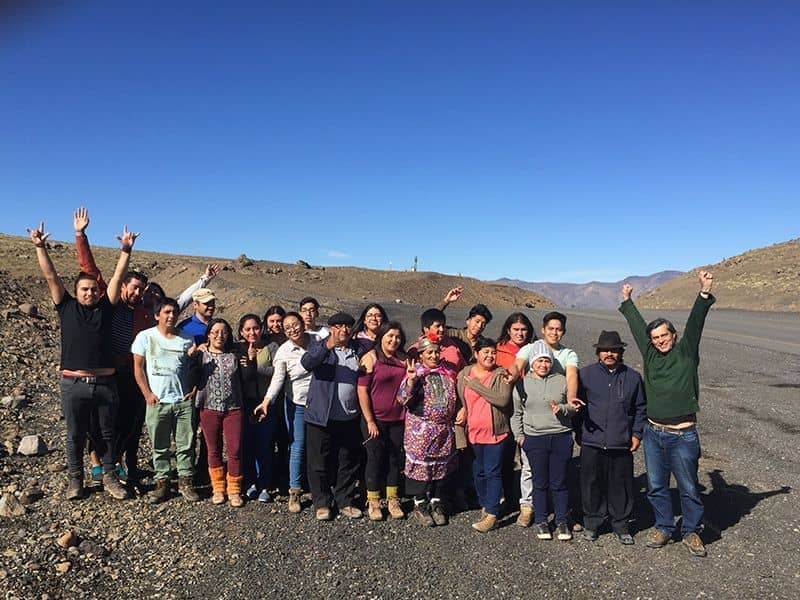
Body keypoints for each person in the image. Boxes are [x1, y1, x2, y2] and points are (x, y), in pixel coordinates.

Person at [28, 219, 134, 501]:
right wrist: (40, 247)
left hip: (105, 383)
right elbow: (51, 277)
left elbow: (116, 278)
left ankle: (110, 478)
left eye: (93, 289)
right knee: (75, 435)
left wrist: (125, 250)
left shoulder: (107, 308)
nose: (89, 292)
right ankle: (76, 481)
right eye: (84, 289)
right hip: (73, 383)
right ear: (77, 291)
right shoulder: (65, 306)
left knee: (108, 434)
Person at [619, 271, 715, 557]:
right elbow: (637, 327)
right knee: (656, 485)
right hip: (653, 433)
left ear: (674, 335)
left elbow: (696, 323)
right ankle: (663, 526)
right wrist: (627, 301)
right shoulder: (650, 355)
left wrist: (704, 293)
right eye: (656, 337)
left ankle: (692, 531)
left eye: (664, 335)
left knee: (688, 486)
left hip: (683, 434)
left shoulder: (686, 351)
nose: (660, 340)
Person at [575, 330, 646, 545]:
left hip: (620, 442)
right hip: (592, 441)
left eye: (614, 350)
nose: (609, 354)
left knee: (621, 484)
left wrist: (636, 434)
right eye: (605, 350)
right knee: (590, 483)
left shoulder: (633, 378)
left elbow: (641, 408)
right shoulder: (585, 375)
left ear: (620, 352)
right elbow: (577, 406)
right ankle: (592, 523)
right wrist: (579, 433)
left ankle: (621, 524)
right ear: (598, 352)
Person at [513, 311, 580, 527]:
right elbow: (518, 365)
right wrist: (511, 377)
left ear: (563, 332)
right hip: (534, 423)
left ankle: (559, 512)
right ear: (543, 329)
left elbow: (571, 376)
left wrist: (569, 401)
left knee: (558, 474)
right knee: (529, 469)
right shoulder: (530, 349)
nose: (554, 332)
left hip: (558, 422)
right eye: (550, 328)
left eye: (558, 329)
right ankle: (528, 507)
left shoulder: (567, 354)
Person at [132, 297, 199, 503]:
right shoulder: (145, 337)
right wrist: (147, 394)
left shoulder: (187, 339)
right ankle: (162, 483)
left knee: (185, 444)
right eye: (167, 312)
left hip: (182, 401)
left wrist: (193, 388)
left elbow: (194, 367)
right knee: (159, 445)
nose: (171, 316)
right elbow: (138, 368)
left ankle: (185, 483)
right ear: (157, 315)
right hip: (158, 401)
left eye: (174, 312)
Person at [300, 312, 366, 520]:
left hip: (349, 415)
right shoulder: (321, 348)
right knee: (318, 461)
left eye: (347, 326)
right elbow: (307, 362)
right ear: (331, 329)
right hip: (321, 415)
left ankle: (344, 500)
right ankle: (322, 502)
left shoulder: (359, 350)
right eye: (338, 326)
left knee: (347, 460)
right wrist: (327, 345)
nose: (343, 330)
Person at [397, 333, 459, 527]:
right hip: (421, 429)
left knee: (441, 466)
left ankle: (437, 502)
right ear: (421, 355)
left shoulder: (447, 373)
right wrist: (411, 382)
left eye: (436, 351)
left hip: (443, 429)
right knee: (421, 467)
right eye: (429, 352)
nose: (433, 356)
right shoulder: (416, 374)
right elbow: (402, 399)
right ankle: (420, 503)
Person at [255, 311, 312, 514]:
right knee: (298, 445)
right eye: (287, 328)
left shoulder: (317, 342)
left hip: (320, 405)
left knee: (320, 445)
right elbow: (277, 379)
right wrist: (267, 401)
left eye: (295, 325)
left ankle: (320, 486)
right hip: (296, 404)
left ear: (302, 324)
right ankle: (294, 490)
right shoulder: (284, 351)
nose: (292, 330)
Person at [192, 318, 254, 508]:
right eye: (216, 332)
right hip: (209, 407)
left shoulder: (235, 355)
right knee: (213, 449)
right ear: (209, 334)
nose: (220, 336)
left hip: (234, 408)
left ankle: (234, 489)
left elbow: (247, 379)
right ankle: (218, 488)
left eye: (224, 332)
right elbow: (192, 377)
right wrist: (193, 357)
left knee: (234, 450)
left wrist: (249, 362)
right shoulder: (201, 355)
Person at [455, 337, 512, 533]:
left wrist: (477, 386)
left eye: (493, 352)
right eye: (485, 352)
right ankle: (485, 504)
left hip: (495, 434)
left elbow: (503, 399)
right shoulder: (464, 374)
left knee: (492, 472)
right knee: (478, 472)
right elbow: (461, 398)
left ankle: (492, 513)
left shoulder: (500, 374)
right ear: (476, 354)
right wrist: (462, 409)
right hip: (473, 432)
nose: (490, 355)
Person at [357, 321, 408, 521]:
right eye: (390, 336)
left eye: (397, 337)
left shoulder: (404, 360)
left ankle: (393, 499)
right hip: (375, 418)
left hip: (398, 418)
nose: (394, 340)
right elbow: (362, 390)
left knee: (395, 458)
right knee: (375, 458)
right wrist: (369, 420)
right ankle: (374, 499)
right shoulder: (370, 358)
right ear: (382, 337)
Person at [237, 314, 276, 503]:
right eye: (248, 329)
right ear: (242, 332)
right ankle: (249, 481)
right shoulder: (237, 350)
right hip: (245, 402)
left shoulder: (271, 347)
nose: (252, 332)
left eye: (256, 328)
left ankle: (265, 484)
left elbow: (278, 372)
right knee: (247, 444)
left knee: (265, 444)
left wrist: (254, 363)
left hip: (266, 402)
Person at [437, 286, 493, 363]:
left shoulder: (483, 344)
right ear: (468, 321)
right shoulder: (453, 334)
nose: (479, 326)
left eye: (483, 324)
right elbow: (430, 319)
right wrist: (446, 301)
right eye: (477, 321)